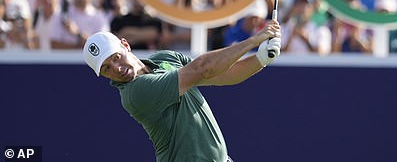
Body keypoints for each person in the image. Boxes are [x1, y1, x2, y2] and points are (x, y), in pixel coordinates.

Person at [82, 19, 281, 162]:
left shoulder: (165, 58)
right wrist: (255, 40)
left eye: (116, 57)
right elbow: (203, 68)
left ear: (125, 45)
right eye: (106, 68)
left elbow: (223, 75)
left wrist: (261, 58)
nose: (116, 68)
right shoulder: (134, 94)